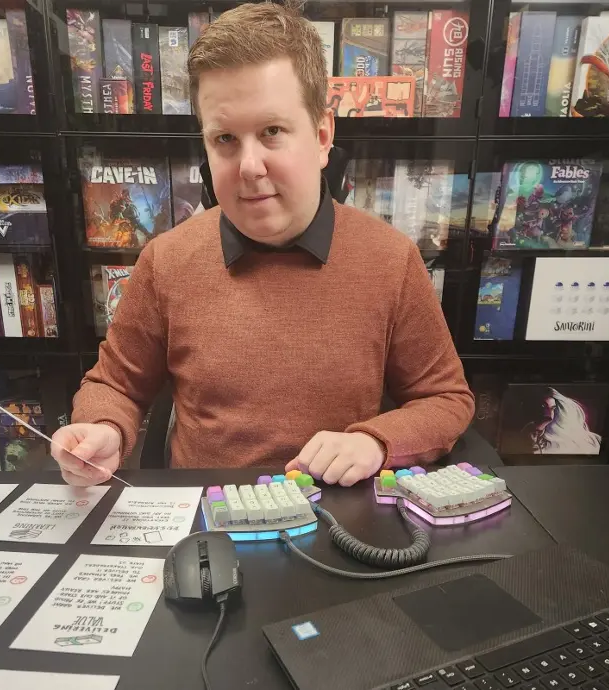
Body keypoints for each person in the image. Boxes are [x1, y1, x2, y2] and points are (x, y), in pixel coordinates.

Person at [51, 1, 475, 488]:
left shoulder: (389, 259)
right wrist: (104, 427)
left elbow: (446, 398)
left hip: (334, 523)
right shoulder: (166, 260)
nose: (248, 166)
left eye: (272, 131)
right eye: (225, 139)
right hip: (206, 524)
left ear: (321, 136)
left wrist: (376, 441)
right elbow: (115, 384)